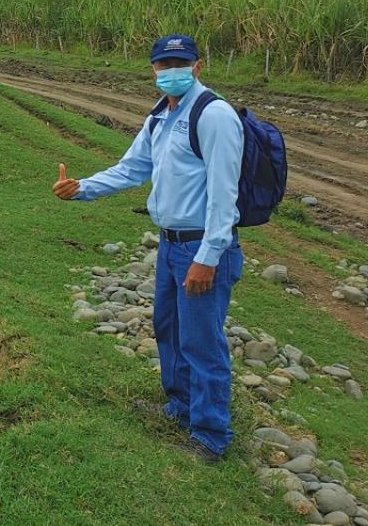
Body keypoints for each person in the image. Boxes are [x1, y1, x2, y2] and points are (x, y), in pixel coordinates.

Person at [52, 34, 244, 463]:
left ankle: (211, 435)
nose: (170, 70)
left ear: (197, 66)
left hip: (201, 248)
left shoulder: (214, 116)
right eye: (163, 64)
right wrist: (81, 188)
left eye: (179, 62)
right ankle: (179, 405)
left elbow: (223, 195)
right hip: (170, 244)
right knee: (168, 327)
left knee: (202, 341)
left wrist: (208, 258)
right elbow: (132, 169)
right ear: (153, 69)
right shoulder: (159, 117)